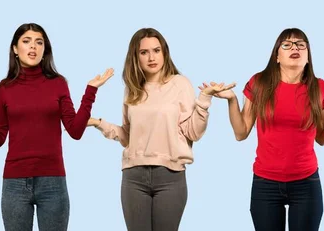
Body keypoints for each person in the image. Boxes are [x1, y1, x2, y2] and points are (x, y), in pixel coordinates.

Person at [0, 23, 113, 231]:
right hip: (14, 184)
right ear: (15, 49)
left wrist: (90, 91)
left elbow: (75, 131)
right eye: (26, 41)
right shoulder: (5, 88)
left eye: (39, 42)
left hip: (53, 182)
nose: (33, 47)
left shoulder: (58, 83)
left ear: (45, 50)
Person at [203, 28, 324, 231]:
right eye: (287, 44)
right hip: (265, 183)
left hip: (306, 183)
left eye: (301, 44)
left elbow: (322, 137)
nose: (295, 48)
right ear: (277, 56)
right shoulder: (259, 83)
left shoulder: (320, 88)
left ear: (308, 56)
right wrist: (231, 100)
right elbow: (241, 132)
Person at [86, 27, 234, 231]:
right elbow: (128, 136)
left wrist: (204, 100)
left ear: (164, 52)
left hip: (170, 177)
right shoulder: (132, 89)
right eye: (144, 52)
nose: (151, 57)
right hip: (133, 177)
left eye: (156, 50)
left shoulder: (180, 84)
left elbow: (193, 133)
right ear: (135, 57)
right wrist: (98, 123)